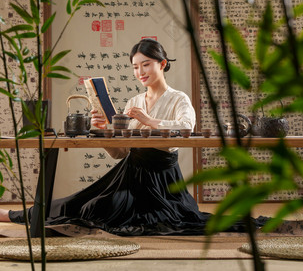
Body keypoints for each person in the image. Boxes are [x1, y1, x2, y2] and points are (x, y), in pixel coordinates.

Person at [0, 39, 213, 235]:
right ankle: (12, 215)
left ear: (163, 63)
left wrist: (149, 121)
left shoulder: (178, 98)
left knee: (101, 210)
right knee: (78, 204)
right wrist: (100, 130)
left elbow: (187, 126)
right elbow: (120, 153)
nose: (140, 72)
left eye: (146, 64)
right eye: (135, 67)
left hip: (163, 182)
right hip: (129, 173)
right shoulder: (134, 102)